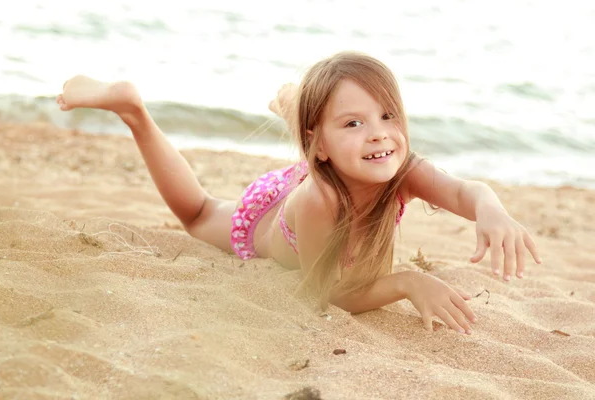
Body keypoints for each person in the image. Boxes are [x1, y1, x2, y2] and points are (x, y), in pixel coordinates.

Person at [56, 51, 541, 335]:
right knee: (198, 212)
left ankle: (294, 104)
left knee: (331, 136)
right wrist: (407, 282)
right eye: (356, 121)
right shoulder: (319, 202)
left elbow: (465, 191)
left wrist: (491, 210)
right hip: (274, 216)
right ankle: (133, 109)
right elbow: (325, 293)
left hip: (329, 162)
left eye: (388, 116)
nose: (379, 134)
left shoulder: (401, 168)